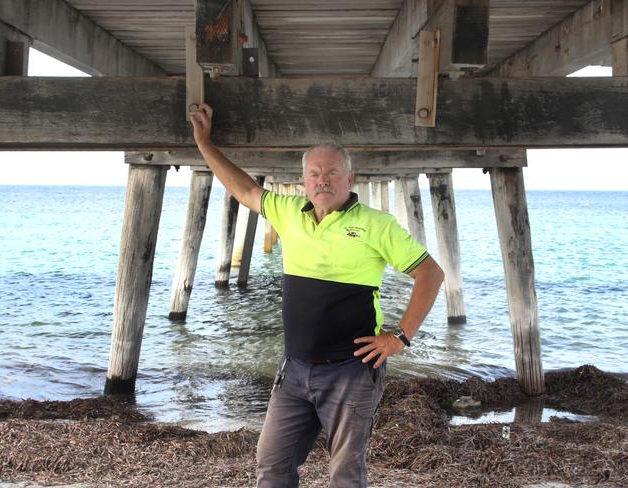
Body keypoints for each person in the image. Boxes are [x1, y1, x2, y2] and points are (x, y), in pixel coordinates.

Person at [190, 103, 444, 488]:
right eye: (314, 174)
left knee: (345, 474)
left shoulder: (376, 225)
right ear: (304, 181)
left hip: (351, 372)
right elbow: (242, 188)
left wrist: (400, 338)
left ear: (349, 178)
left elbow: (431, 273)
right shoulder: (288, 212)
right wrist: (204, 142)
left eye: (331, 173)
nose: (322, 180)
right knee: (272, 466)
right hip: (294, 370)